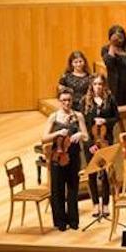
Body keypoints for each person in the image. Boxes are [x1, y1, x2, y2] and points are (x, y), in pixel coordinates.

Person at [42, 89, 88, 231]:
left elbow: (86, 136)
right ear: (59, 101)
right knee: (58, 189)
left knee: (73, 188)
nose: (67, 103)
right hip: (58, 155)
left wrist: (80, 134)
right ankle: (60, 221)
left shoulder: (78, 116)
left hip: (73, 155)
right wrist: (57, 133)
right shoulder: (53, 117)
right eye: (63, 100)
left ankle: (73, 220)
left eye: (69, 100)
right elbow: (43, 138)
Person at [81, 75, 117, 219]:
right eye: (95, 84)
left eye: (100, 84)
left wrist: (106, 121)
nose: (98, 86)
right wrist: (89, 143)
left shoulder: (110, 100)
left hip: (105, 140)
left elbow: (116, 117)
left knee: (106, 173)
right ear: (91, 85)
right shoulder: (85, 101)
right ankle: (95, 204)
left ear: (104, 85)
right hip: (90, 142)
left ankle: (106, 204)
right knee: (92, 173)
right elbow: (82, 124)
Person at [101, 25, 126, 105]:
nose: (119, 40)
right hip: (115, 86)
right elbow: (109, 63)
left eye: (121, 37)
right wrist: (112, 45)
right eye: (117, 37)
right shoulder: (106, 49)